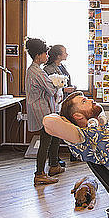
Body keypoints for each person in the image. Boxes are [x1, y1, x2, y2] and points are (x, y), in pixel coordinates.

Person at [25, 38, 65, 185]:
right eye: (45, 54)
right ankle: (39, 173)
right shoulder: (37, 72)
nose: (47, 56)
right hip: (41, 109)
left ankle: (53, 166)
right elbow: (51, 88)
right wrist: (59, 84)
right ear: (38, 56)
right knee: (46, 140)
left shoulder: (34, 70)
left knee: (52, 136)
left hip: (42, 107)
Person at [43, 44, 78, 164]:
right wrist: (64, 90)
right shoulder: (48, 69)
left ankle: (72, 153)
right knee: (56, 131)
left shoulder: (62, 66)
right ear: (58, 55)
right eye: (65, 52)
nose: (67, 54)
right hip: (55, 103)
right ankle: (54, 159)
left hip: (64, 101)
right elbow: (49, 88)